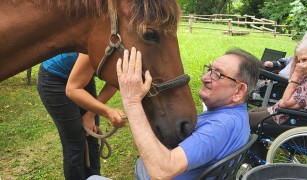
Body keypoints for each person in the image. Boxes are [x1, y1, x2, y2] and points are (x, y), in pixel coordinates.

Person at [88, 47, 261, 179]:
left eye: (218, 74)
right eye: (209, 69)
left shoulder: (219, 126)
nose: (204, 78)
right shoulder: (237, 115)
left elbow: (162, 171)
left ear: (239, 90)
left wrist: (132, 102)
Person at [37, 53, 125, 180]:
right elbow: (73, 89)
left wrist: (90, 114)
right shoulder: (100, 43)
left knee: (91, 134)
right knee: (75, 142)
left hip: (84, 77)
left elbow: (115, 81)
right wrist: (108, 112)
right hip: (55, 79)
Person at [249, 36, 307, 129]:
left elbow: (284, 104)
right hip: (284, 112)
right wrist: (295, 58)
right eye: (300, 61)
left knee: (244, 119)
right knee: (253, 111)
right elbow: (291, 81)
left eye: (305, 60)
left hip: (288, 117)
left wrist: (296, 75)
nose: (301, 64)